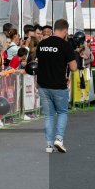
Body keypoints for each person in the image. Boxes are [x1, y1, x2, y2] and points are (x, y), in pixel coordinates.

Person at [36, 19, 77, 153]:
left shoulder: (41, 44)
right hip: (59, 85)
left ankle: (48, 144)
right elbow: (74, 67)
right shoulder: (65, 46)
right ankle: (59, 139)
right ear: (65, 31)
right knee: (62, 112)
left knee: (48, 115)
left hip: (43, 84)